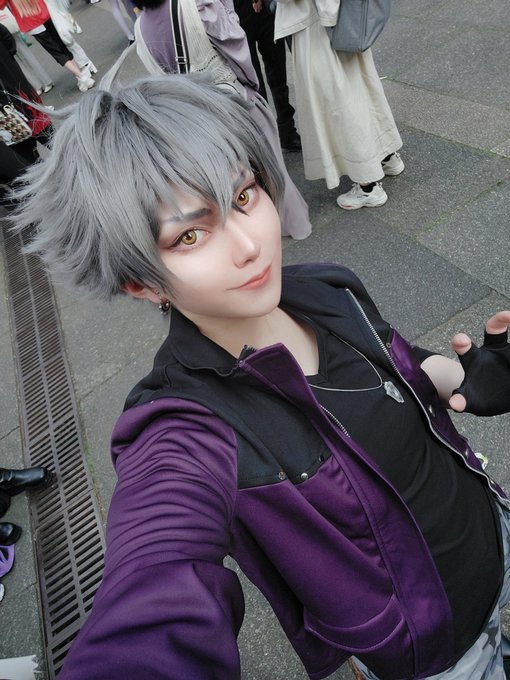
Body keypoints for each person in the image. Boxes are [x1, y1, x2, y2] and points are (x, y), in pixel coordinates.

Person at [12, 75, 510, 679]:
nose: (249, 245)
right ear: (140, 282)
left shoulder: (326, 289)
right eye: (190, 234)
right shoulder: (187, 428)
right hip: (437, 643)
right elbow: (155, 583)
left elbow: (396, 368)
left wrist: (467, 377)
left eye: (244, 196)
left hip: (492, 525)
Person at [132, 0, 312, 239]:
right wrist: (249, 83)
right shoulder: (197, 4)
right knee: (270, 167)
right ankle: (293, 223)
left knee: (234, 181)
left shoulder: (140, 29)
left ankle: (250, 234)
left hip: (196, 119)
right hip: (232, 103)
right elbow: (234, 44)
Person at [274, 0, 403, 210]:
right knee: (360, 87)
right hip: (343, 19)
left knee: (338, 104)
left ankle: (368, 186)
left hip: (317, 27)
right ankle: (387, 156)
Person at [232, 0, 301, 151]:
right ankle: (266, 136)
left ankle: (287, 131)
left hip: (267, 10)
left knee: (278, 73)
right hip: (238, 11)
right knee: (253, 81)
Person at [0, 22, 53, 188]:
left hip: (5, 109)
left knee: (28, 156)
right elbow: (8, 40)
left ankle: (53, 185)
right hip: (19, 90)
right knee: (52, 139)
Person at [0, 0, 95, 92]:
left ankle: (82, 77)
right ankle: (80, 76)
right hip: (43, 13)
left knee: (56, 52)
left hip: (32, 22)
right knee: (61, 46)